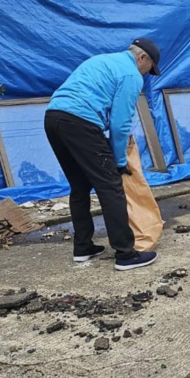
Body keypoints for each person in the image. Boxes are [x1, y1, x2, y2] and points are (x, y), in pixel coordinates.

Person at [44, 38, 161, 271]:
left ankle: (83, 247)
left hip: (53, 118)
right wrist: (119, 161)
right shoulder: (131, 74)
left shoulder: (102, 60)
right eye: (150, 69)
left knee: (79, 186)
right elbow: (120, 123)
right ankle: (126, 254)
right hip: (81, 122)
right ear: (142, 58)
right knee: (111, 186)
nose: (147, 74)